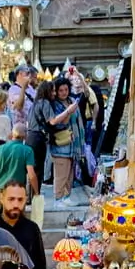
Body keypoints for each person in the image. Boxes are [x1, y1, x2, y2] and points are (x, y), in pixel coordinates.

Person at [48, 77, 85, 205]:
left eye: (66, 89)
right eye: (61, 90)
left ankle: (66, 196)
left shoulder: (71, 100)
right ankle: (58, 198)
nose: (64, 92)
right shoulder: (55, 104)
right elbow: (59, 124)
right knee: (61, 174)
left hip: (73, 144)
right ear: (56, 92)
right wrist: (68, 111)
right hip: (61, 144)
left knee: (70, 174)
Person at [0, 126, 39, 203]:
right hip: (17, 194)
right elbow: (31, 175)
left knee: (2, 214)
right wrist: (36, 192)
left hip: (0, 192)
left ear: (12, 134)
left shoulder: (0, 148)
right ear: (25, 136)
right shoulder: (27, 150)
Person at [27, 80, 56, 189]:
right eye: (52, 91)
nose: (54, 93)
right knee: (38, 168)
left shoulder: (34, 104)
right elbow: (52, 121)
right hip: (39, 138)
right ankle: (36, 193)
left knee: (31, 168)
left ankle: (30, 194)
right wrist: (67, 113)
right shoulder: (45, 103)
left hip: (30, 136)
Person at [7, 65, 37, 137]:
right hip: (20, 129)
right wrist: (23, 87)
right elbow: (19, 106)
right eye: (27, 73)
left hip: (33, 126)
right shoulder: (13, 90)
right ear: (20, 74)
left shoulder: (30, 88)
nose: (29, 76)